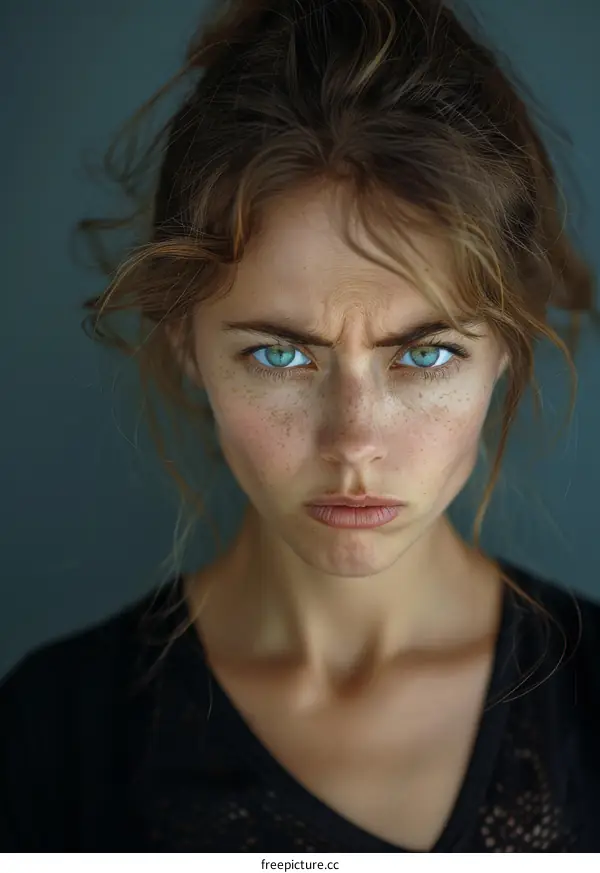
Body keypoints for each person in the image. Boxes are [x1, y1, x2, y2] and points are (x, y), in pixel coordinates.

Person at [1, 0, 599, 853]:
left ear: (505, 347)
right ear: (186, 343)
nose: (353, 440)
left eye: (426, 354)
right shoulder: (52, 738)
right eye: (280, 355)